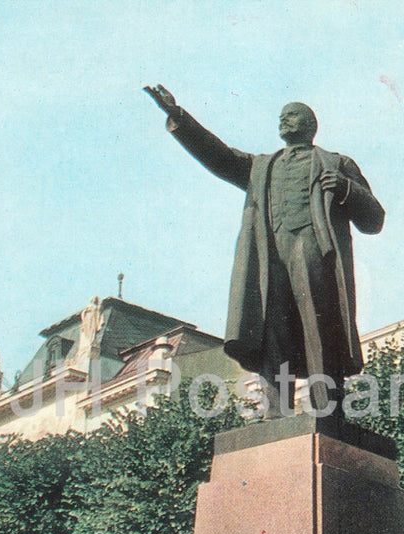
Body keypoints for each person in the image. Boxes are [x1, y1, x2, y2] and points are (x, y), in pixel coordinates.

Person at [144, 86, 384, 417]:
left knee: (318, 329)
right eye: (281, 115)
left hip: (315, 254)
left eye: (292, 114)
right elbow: (220, 156)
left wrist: (346, 189)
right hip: (270, 255)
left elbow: (374, 219)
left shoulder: (337, 163)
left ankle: (326, 410)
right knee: (274, 330)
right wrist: (179, 117)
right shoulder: (261, 167)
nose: (283, 119)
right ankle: (275, 412)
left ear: (310, 124)